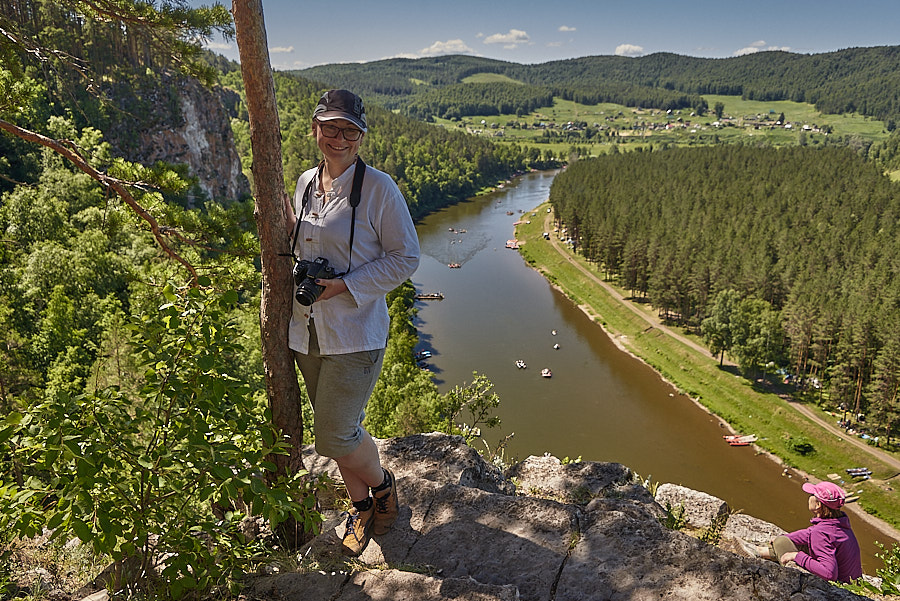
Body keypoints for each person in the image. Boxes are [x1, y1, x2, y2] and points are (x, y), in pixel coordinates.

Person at [284, 89, 420, 556]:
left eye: (350, 130)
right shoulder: (304, 183)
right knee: (334, 427)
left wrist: (343, 285)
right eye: (330, 127)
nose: (339, 138)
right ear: (315, 128)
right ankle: (361, 507)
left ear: (361, 136)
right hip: (306, 331)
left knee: (335, 433)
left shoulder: (379, 189)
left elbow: (406, 257)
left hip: (355, 331)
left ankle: (383, 488)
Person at [739, 481, 862, 583]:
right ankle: (760, 552)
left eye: (811, 495)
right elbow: (808, 534)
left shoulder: (821, 533)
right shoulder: (839, 523)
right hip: (853, 582)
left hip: (838, 588)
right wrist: (784, 537)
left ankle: (765, 556)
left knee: (784, 545)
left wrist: (796, 556)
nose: (809, 497)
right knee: (783, 541)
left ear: (818, 504)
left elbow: (829, 574)